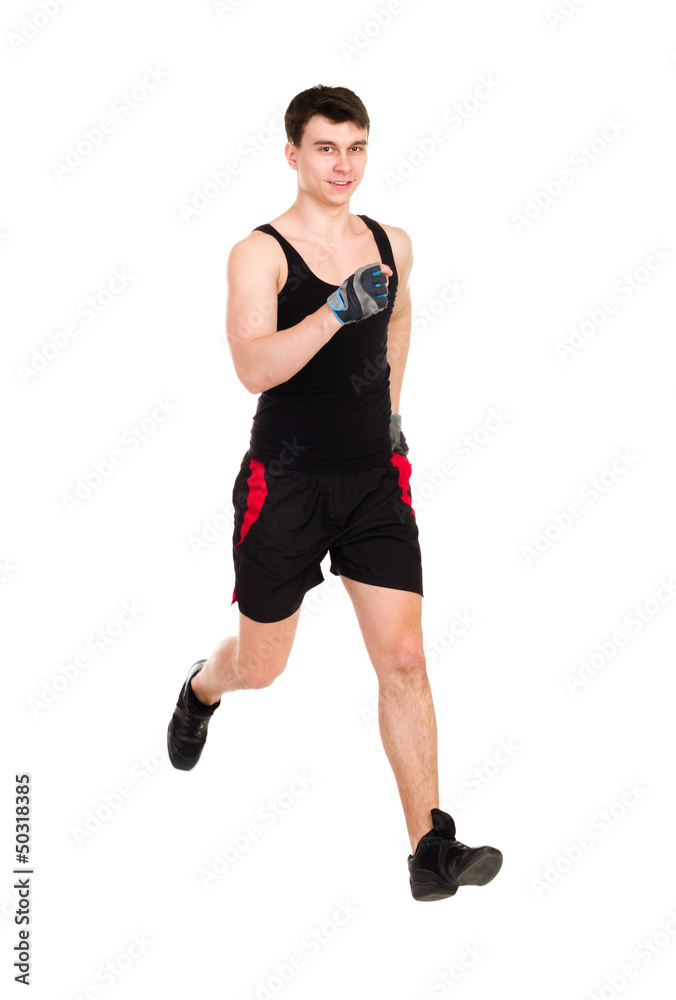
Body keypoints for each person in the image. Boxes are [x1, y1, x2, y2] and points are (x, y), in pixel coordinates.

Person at [167, 84, 502, 901]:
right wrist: (330, 312)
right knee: (264, 664)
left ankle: (431, 847)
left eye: (355, 147)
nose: (342, 164)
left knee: (405, 656)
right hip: (282, 482)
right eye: (325, 148)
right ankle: (200, 688)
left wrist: (391, 414)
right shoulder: (260, 253)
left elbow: (398, 321)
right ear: (294, 154)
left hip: (371, 479)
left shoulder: (393, 243)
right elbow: (252, 367)